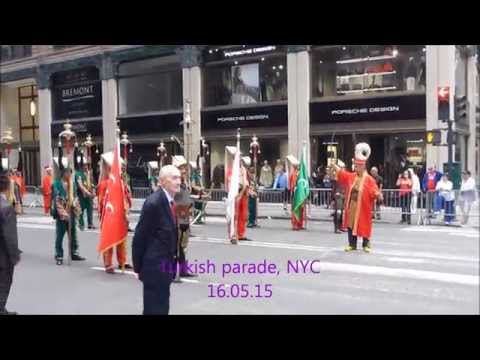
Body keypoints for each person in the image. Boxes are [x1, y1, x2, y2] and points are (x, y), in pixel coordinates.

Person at [132, 165, 181, 315]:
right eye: (174, 178)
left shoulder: (170, 201)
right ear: (162, 181)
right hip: (154, 269)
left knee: (162, 308)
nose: (179, 181)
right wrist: (138, 267)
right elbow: (140, 237)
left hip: (165, 268)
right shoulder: (154, 203)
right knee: (154, 310)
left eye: (179, 177)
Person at [332, 143, 383, 253]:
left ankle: (366, 244)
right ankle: (352, 244)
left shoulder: (369, 179)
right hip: (352, 205)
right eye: (356, 166)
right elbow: (343, 174)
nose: (357, 168)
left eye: (358, 166)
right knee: (350, 225)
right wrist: (335, 167)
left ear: (363, 166)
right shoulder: (352, 176)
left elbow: (374, 190)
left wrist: (378, 194)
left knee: (364, 225)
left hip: (363, 207)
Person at [98, 152, 132, 273]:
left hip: (122, 214)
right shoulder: (104, 184)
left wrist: (127, 209)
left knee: (122, 239)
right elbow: (102, 201)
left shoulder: (122, 182)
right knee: (109, 238)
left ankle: (123, 261)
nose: (122, 169)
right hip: (110, 215)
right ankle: (108, 263)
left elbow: (126, 197)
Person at [51, 160, 85, 265]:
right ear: (63, 173)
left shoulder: (72, 184)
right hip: (62, 215)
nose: (69, 174)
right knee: (60, 235)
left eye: (70, 172)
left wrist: (75, 206)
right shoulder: (56, 184)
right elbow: (56, 200)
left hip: (71, 212)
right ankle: (59, 255)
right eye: (67, 172)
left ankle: (74, 252)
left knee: (73, 234)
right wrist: (64, 214)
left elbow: (75, 197)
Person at [172, 156, 197, 279]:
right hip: (177, 217)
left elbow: (186, 197)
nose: (184, 171)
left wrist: (191, 203)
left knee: (183, 245)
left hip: (185, 216)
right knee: (175, 246)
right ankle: (172, 270)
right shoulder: (173, 183)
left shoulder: (184, 182)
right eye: (181, 168)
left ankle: (183, 270)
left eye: (185, 168)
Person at [0, 170, 21, 315]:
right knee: (4, 281)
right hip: (2, 255)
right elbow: (10, 237)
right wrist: (15, 256)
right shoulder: (6, 208)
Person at [76, 161, 95, 230]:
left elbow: (91, 183)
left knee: (90, 210)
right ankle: (81, 224)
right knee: (81, 210)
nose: (86, 167)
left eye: (87, 165)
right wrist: (87, 192)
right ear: (81, 167)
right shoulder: (78, 174)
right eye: (84, 165)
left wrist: (93, 191)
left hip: (89, 195)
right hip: (82, 196)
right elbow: (80, 185)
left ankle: (90, 224)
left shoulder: (89, 173)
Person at [287, 155, 304, 231]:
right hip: (295, 193)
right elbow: (291, 184)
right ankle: (295, 224)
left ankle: (300, 223)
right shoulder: (293, 173)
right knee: (295, 209)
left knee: (301, 209)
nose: (298, 167)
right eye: (297, 166)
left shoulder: (301, 174)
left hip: (301, 193)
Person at [330, 161, 346, 234]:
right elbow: (334, 188)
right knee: (338, 212)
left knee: (342, 212)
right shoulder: (336, 177)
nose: (343, 169)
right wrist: (332, 199)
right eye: (342, 168)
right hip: (338, 196)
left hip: (343, 195)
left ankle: (340, 227)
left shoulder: (344, 176)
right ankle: (336, 228)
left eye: (343, 168)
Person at [247, 164, 258, 228]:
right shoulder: (248, 179)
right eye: (251, 172)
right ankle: (250, 221)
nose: (252, 174)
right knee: (251, 209)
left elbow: (255, 186)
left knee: (254, 209)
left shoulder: (254, 178)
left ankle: (253, 221)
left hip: (254, 194)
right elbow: (248, 187)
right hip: (250, 194)